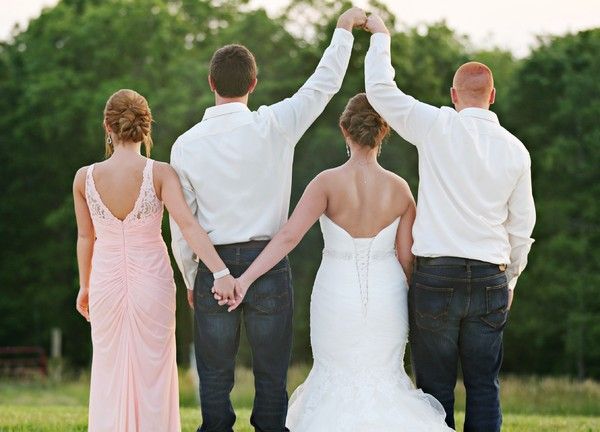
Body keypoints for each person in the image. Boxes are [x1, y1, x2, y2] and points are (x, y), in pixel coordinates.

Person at [169, 7, 367, 432]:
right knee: (272, 375)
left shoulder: (185, 146)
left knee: (216, 375)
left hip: (213, 266)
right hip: (269, 264)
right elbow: (325, 84)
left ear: (211, 83)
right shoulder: (276, 123)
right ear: (253, 84)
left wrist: (192, 277)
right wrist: (344, 29)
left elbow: (183, 225)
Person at [225, 93, 453, 432]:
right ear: (383, 131)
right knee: (384, 375)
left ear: (344, 129)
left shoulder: (326, 182)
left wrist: (244, 279)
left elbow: (288, 237)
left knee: (335, 373)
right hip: (386, 296)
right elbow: (408, 261)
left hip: (336, 292)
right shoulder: (400, 189)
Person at [364, 15, 536, 432]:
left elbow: (380, 92)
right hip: (490, 276)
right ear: (492, 95)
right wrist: (511, 278)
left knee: (434, 391)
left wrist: (382, 38)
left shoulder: (437, 124)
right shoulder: (516, 150)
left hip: (436, 275)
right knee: (483, 386)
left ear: (454, 95)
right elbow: (522, 226)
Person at [73, 89, 235, 432]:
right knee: (154, 372)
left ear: (108, 126)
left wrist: (84, 285)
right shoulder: (160, 173)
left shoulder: (84, 178)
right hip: (153, 282)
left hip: (104, 282)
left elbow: (86, 237)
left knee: (109, 369)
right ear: (146, 128)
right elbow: (188, 226)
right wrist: (219, 270)